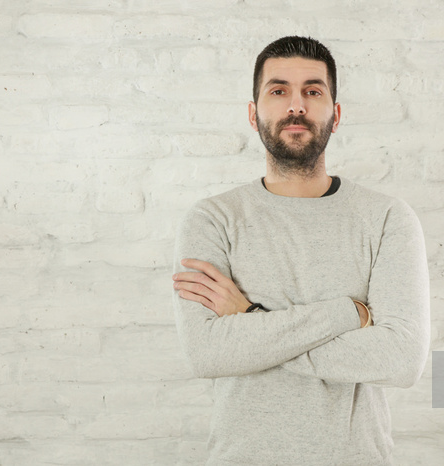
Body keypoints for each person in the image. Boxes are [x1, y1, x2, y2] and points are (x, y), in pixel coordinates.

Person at [172, 36, 430, 465]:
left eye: (313, 91)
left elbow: (401, 359)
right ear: (253, 115)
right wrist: (347, 313)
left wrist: (249, 321)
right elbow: (208, 352)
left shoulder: (387, 218)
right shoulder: (212, 219)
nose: (297, 105)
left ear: (336, 114)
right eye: (279, 91)